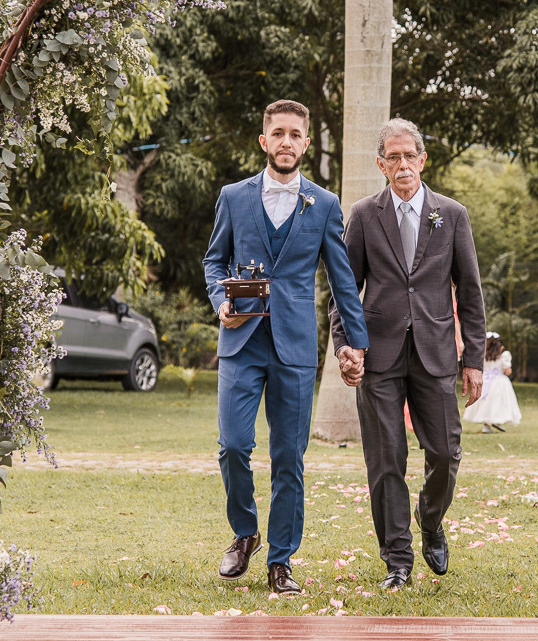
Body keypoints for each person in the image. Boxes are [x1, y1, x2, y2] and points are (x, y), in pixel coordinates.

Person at [202, 99, 369, 594]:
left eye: (296, 134)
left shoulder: (326, 205)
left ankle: (281, 561)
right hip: (241, 341)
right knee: (233, 445)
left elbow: (343, 281)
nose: (286, 142)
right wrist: (220, 302)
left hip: (295, 347)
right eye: (278, 133)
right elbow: (214, 262)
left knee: (289, 457)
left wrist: (353, 343)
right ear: (264, 141)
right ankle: (245, 532)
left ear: (306, 143)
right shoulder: (233, 197)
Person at [329, 117, 486, 591]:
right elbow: (343, 290)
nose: (402, 164)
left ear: (423, 159)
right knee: (386, 461)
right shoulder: (362, 214)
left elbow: (472, 292)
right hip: (378, 355)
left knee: (445, 452)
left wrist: (474, 359)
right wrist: (344, 346)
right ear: (380, 164)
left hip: (437, 354)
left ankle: (431, 520)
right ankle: (397, 560)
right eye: (392, 157)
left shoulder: (452, 214)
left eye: (409, 155)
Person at [462, 331, 521, 433]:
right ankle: (496, 421)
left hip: (485, 381)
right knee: (497, 402)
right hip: (499, 381)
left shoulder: (482, 355)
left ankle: (486, 426)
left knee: (485, 403)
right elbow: (507, 371)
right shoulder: (503, 356)